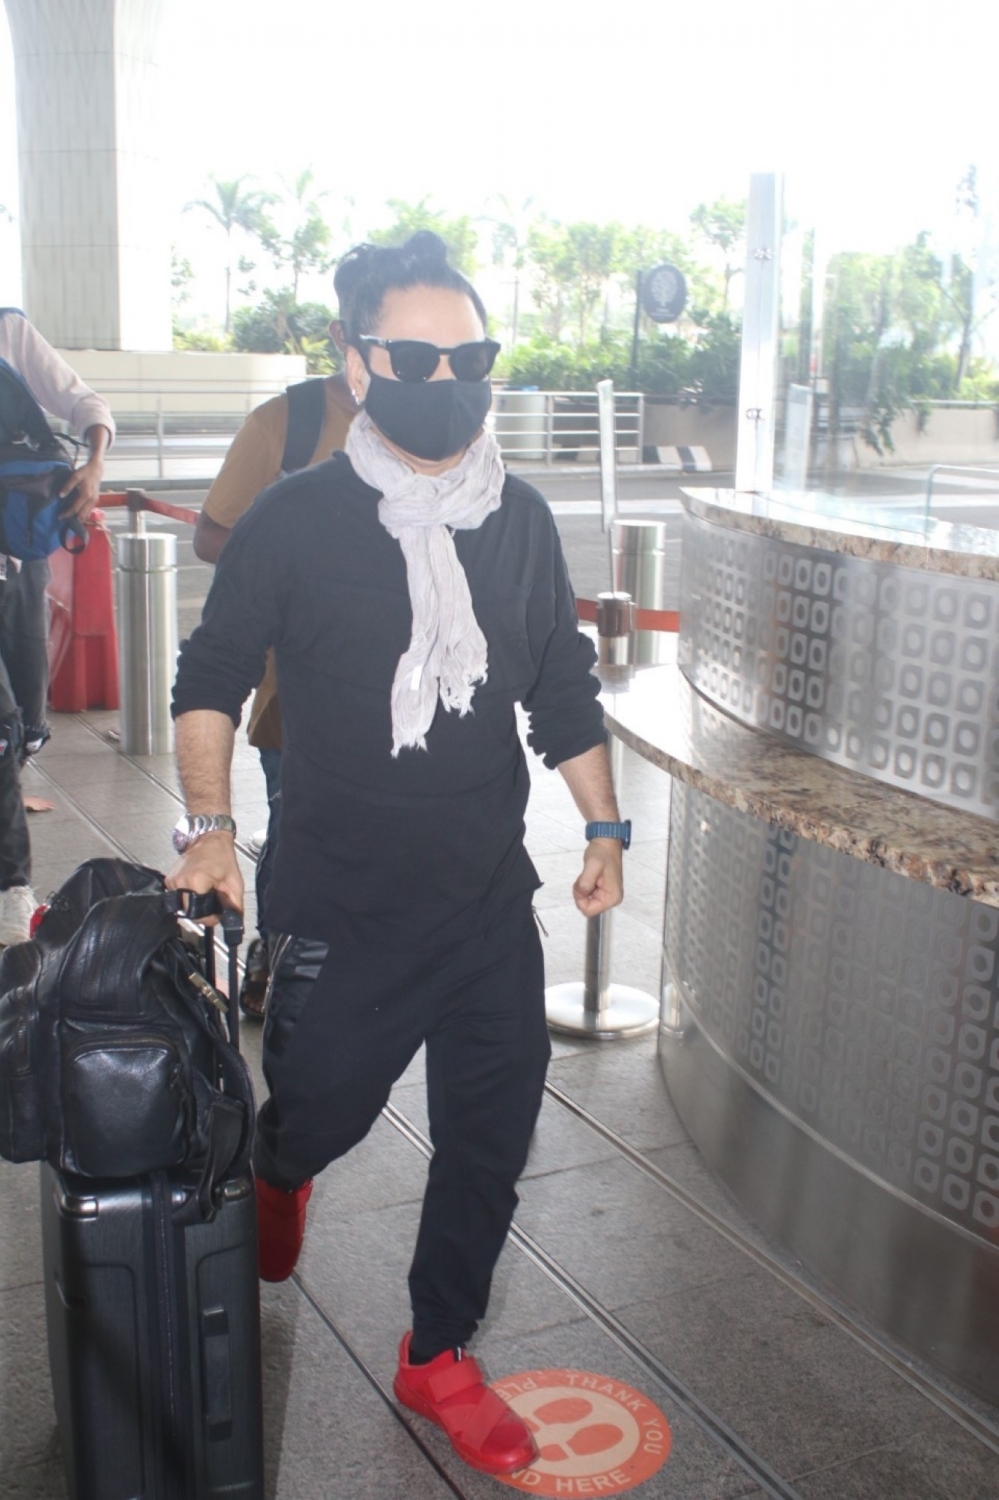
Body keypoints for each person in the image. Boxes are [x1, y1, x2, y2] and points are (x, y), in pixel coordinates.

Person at [168, 232, 630, 1478]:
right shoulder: (296, 519)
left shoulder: (518, 519)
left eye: (470, 357)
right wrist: (211, 830)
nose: (448, 380)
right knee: (319, 1109)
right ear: (358, 365)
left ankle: (439, 1351)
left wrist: (603, 826)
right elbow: (210, 677)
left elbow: (563, 687)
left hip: (483, 902)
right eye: (417, 358)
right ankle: (282, 1171)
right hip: (343, 900)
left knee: (491, 1134)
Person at [192, 322, 358, 1016]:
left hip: (407, 689)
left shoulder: (442, 431)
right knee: (297, 824)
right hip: (296, 689)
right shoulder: (286, 424)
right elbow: (210, 534)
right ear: (343, 333)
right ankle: (280, 950)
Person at [0, 308, 114, 946]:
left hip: (17, 565)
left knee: (26, 725)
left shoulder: (8, 332)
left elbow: (85, 403)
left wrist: (93, 464)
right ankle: (11, 889)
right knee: (1, 728)